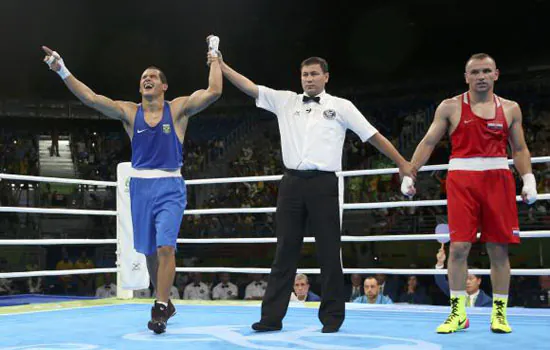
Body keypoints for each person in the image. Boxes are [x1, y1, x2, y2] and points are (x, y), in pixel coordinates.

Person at [220, 54, 414, 333]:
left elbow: (372, 136)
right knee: (284, 252)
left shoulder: (341, 106)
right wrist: (222, 66)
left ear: (326, 76)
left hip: (324, 184)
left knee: (329, 253)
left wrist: (401, 163)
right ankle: (271, 318)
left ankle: (332, 318)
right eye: (305, 75)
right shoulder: (285, 100)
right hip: (291, 184)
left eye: (314, 74)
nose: (309, 79)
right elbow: (250, 86)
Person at [42, 35, 222, 334]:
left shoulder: (176, 110)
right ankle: (163, 298)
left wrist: (214, 56)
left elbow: (214, 91)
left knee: (166, 247)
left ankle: (160, 307)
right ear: (140, 87)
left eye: (153, 76)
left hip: (169, 186)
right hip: (140, 188)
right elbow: (91, 98)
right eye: (143, 78)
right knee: (150, 251)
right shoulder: (129, 112)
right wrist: (62, 69)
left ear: (164, 86)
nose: (147, 79)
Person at [402, 53, 538, 334]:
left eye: (486, 71)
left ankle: (499, 314)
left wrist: (528, 178)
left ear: (496, 74)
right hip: (462, 179)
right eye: (475, 72)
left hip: (498, 178)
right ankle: (458, 313)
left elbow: (520, 149)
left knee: (498, 249)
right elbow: (428, 141)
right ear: (466, 77)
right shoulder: (450, 107)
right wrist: (410, 172)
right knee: (459, 247)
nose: (481, 76)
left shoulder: (510, 108)